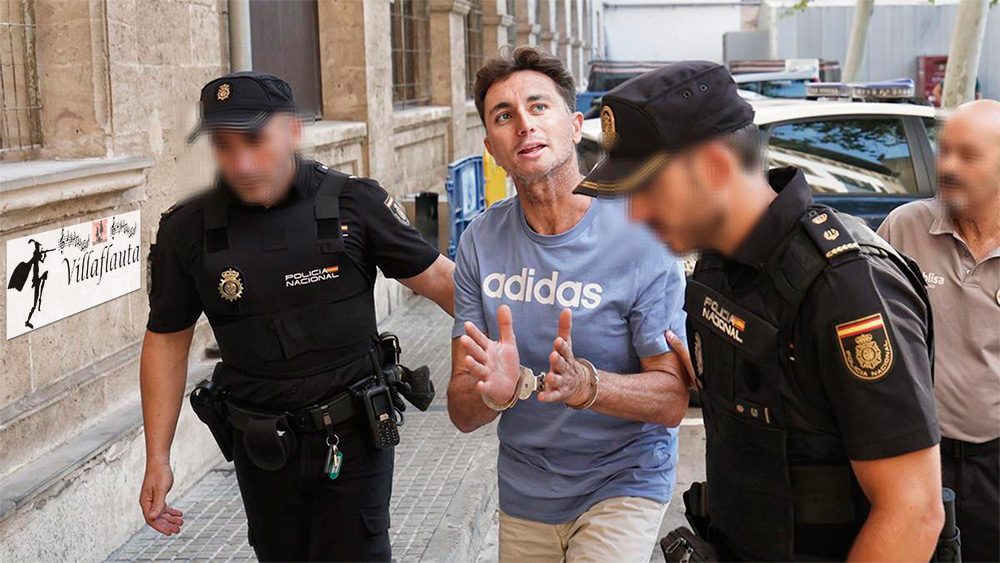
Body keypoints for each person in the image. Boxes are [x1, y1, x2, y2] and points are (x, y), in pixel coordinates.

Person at [575, 61, 945, 561]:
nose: (636, 213)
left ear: (714, 168)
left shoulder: (847, 287)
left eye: (648, 190)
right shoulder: (718, 268)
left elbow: (913, 512)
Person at [138, 71, 454, 562]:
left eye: (254, 141)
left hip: (353, 437)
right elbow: (166, 340)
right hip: (262, 447)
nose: (241, 163)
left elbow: (442, 282)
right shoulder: (188, 229)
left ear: (293, 130)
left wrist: (516, 348)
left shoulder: (354, 204)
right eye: (224, 146)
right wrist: (157, 457)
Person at [447, 46, 691, 562]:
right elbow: (461, 410)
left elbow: (672, 397)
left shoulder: (643, 234)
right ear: (491, 147)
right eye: (504, 116)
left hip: (624, 478)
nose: (524, 125)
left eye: (539, 106)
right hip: (526, 489)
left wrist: (587, 386)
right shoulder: (480, 242)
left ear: (575, 125)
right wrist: (497, 394)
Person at [878, 99, 1000, 563]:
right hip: (914, 457)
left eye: (967, 155)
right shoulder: (903, 228)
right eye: (944, 151)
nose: (947, 166)